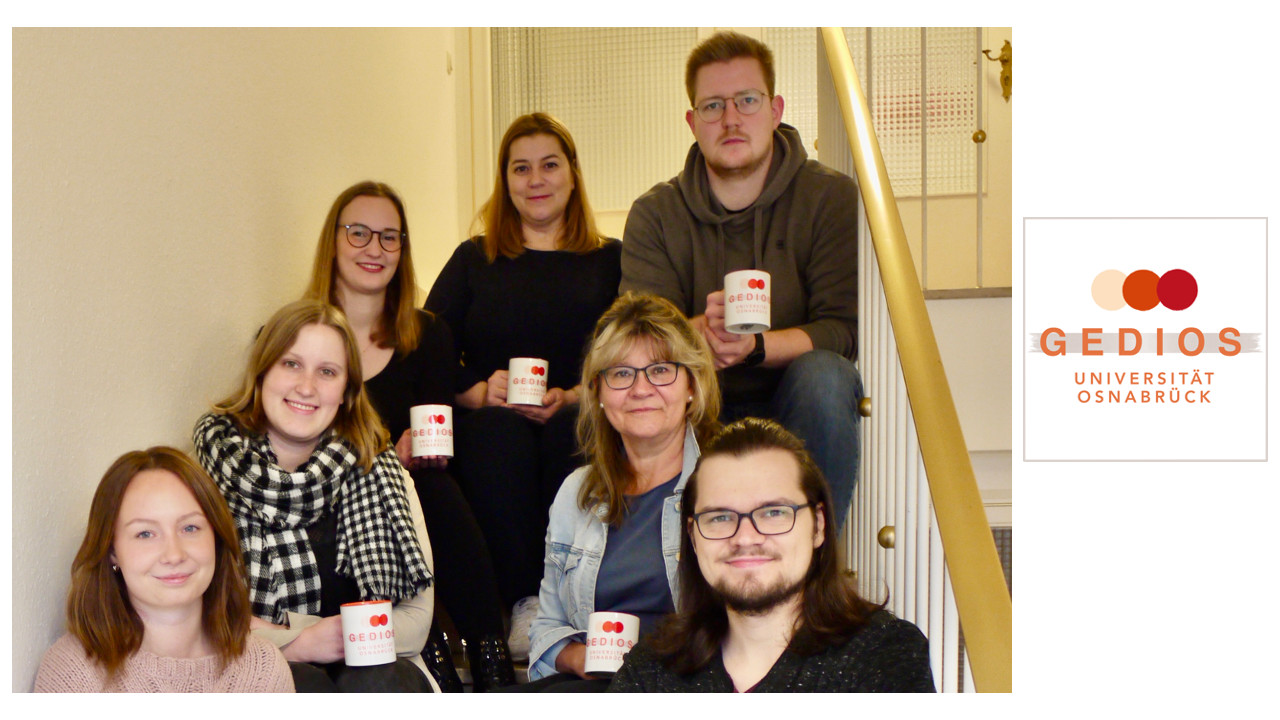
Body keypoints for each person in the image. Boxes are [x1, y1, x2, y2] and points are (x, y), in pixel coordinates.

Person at [620, 31, 863, 529]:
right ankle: (670, 576)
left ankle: (813, 573)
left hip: (793, 392)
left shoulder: (828, 198)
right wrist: (699, 334)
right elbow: (640, 340)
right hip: (696, 397)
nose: (731, 119)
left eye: (746, 101)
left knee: (827, 376)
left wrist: (755, 348)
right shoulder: (655, 214)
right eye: (712, 106)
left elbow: (841, 329)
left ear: (774, 110)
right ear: (692, 122)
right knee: (637, 389)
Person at [304, 181, 514, 691]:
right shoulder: (301, 335)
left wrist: (410, 449)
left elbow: (432, 423)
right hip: (326, 493)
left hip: (409, 492)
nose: (374, 248)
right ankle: (434, 646)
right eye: (359, 233)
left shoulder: (427, 334)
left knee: (426, 484)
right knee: (389, 485)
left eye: (389, 237)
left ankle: (488, 650)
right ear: (333, 242)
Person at [426, 112, 621, 658]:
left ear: (573, 174)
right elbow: (426, 342)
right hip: (493, 419)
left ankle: (574, 602)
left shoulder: (612, 259)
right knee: (493, 435)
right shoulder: (475, 259)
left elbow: (635, 347)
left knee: (573, 434)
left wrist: (583, 395)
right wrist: (474, 390)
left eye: (549, 165)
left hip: (580, 410)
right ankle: (524, 605)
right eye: (521, 168)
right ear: (505, 181)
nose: (535, 179)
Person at [193, 299, 436, 692]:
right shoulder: (202, 478)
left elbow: (414, 623)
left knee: (383, 678)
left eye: (327, 371)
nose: (306, 387)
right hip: (251, 677)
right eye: (291, 364)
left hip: (375, 680)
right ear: (261, 372)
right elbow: (192, 624)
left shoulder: (383, 474)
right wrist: (300, 646)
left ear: (346, 392)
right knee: (297, 681)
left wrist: (290, 633)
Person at [610, 418, 934, 692]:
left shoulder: (882, 653)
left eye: (773, 512)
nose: (746, 537)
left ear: (818, 526)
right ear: (693, 537)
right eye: (720, 517)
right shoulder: (651, 670)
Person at [505, 292, 719, 692]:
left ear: (692, 384)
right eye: (621, 373)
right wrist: (577, 657)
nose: (640, 389)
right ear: (599, 394)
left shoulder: (726, 484)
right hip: (600, 686)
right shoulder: (576, 493)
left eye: (660, 370)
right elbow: (547, 626)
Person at [34, 447, 293, 692]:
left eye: (190, 528)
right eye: (145, 533)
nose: (174, 554)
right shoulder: (72, 674)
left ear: (216, 537)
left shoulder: (265, 670)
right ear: (112, 550)